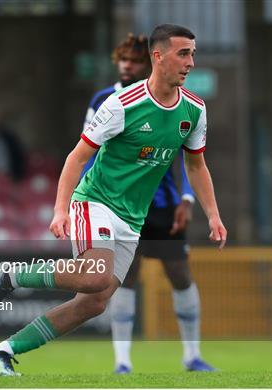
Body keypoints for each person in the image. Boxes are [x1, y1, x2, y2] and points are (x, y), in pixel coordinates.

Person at [0, 24, 227, 376]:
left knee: (93, 303)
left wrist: (214, 216)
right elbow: (77, 157)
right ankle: (13, 277)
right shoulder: (122, 104)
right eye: (183, 53)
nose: (191, 62)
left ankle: (2, 352)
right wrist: (61, 208)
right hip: (95, 201)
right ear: (158, 57)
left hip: (132, 217)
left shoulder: (195, 110)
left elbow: (196, 164)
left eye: (193, 54)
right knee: (95, 277)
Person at [81, 33, 214, 373]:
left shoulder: (171, 101)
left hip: (161, 203)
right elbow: (85, 154)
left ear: (150, 61)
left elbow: (185, 157)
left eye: (134, 60)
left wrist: (187, 198)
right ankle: (122, 361)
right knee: (126, 277)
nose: (127, 65)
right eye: (122, 59)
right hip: (113, 203)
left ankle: (192, 355)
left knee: (179, 273)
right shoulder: (105, 100)